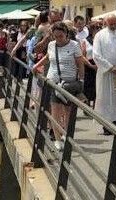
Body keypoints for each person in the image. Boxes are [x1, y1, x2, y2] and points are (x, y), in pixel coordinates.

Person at [32, 23, 86, 151]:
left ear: (66, 34)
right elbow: (47, 58)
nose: (58, 39)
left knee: (68, 112)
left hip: (69, 84)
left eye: (61, 36)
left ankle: (67, 137)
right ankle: (57, 139)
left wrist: (81, 80)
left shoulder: (74, 45)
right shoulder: (51, 45)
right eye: (55, 36)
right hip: (54, 82)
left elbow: (80, 63)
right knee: (55, 113)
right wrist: (36, 66)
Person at [83, 21, 101, 107]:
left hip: (99, 64)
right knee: (88, 86)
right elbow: (83, 55)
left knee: (97, 85)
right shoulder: (85, 40)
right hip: (88, 64)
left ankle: (95, 105)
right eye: (95, 28)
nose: (97, 30)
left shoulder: (100, 40)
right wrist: (90, 65)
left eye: (98, 28)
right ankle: (87, 105)